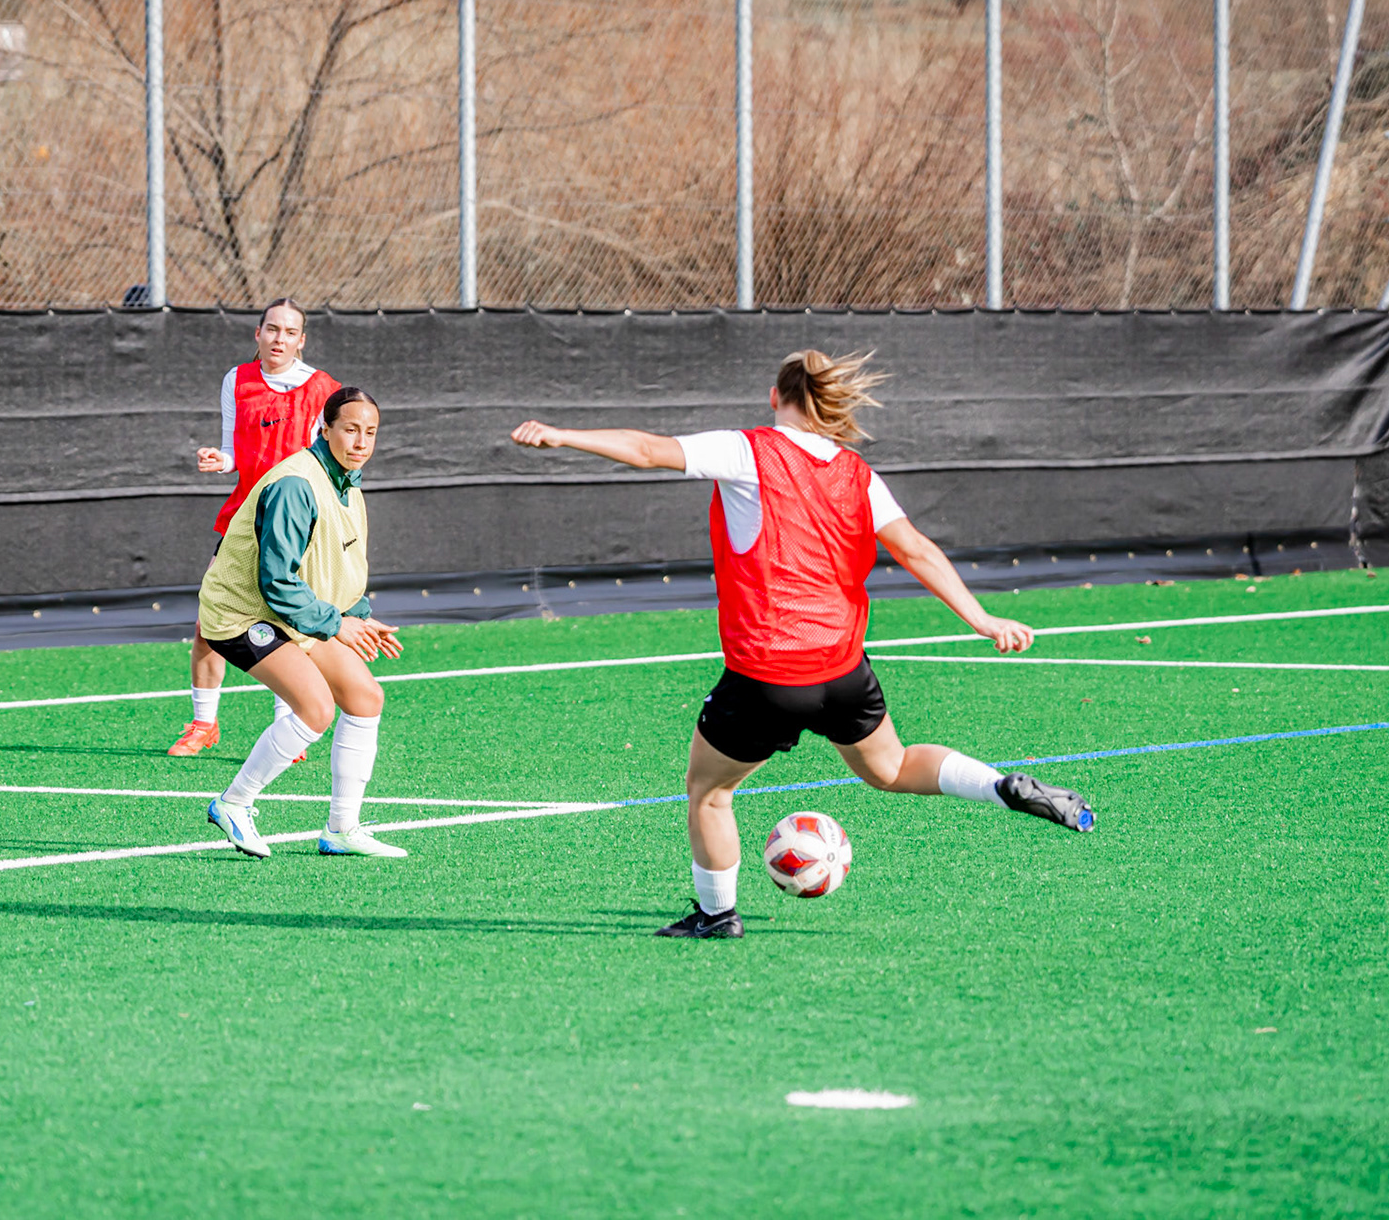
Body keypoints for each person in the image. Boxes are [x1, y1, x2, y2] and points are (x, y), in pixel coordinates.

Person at [509, 349, 1096, 940]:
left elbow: (645, 449)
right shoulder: (857, 472)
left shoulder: (748, 451)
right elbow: (915, 548)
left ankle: (717, 916)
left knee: (709, 791)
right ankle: (1000, 786)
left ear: (774, 396)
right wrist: (982, 617)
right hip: (842, 670)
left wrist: (561, 436)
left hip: (768, 673)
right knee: (890, 767)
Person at [198, 386, 406, 858]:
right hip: (240, 613)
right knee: (315, 708)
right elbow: (275, 581)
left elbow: (339, 567)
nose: (361, 442)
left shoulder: (349, 484)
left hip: (293, 615)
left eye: (370, 432)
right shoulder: (297, 484)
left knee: (365, 697)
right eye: (350, 429)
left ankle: (341, 830)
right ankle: (234, 802)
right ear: (325, 429)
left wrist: (359, 616)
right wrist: (335, 625)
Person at [168, 297, 342, 756]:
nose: (279, 339)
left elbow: (327, 464)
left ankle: (291, 726)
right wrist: (217, 460)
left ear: (301, 341)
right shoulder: (237, 380)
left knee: (289, 623)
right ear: (257, 334)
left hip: (293, 522)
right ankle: (203, 724)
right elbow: (234, 453)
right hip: (243, 519)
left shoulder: (323, 389)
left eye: (289, 332)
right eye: (272, 330)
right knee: (210, 621)